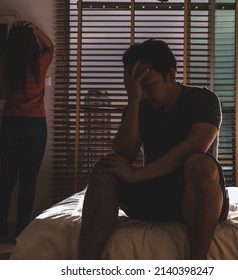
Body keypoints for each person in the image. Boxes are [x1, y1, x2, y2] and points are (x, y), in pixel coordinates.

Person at [79, 39, 229, 259]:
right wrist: (133, 100)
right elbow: (123, 155)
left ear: (170, 75)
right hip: (156, 196)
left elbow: (194, 146)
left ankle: (197, 266)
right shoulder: (141, 105)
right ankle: (86, 267)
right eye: (137, 87)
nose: (144, 94)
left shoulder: (203, 100)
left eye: (148, 85)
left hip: (197, 197)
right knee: (106, 167)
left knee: (200, 163)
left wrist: (137, 174)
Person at [0, 20, 53, 241]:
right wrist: (35, 29)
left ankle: (0, 231)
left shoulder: (7, 62)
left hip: (10, 124)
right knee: (28, 181)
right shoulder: (40, 63)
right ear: (31, 45)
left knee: (6, 178)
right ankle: (21, 230)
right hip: (34, 125)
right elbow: (50, 46)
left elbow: (10, 51)